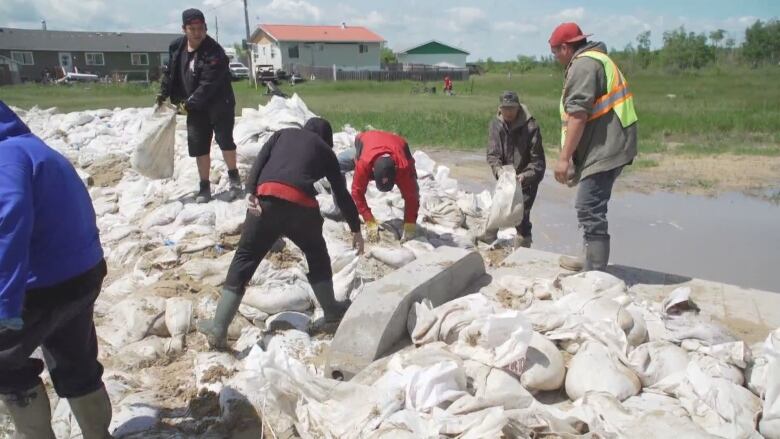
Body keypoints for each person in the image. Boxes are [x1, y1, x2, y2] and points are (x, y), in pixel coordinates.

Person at [198, 118, 364, 349]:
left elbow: (259, 163)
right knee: (316, 253)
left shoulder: (282, 134)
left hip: (265, 202)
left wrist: (250, 192)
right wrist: (355, 228)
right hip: (302, 207)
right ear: (326, 139)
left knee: (245, 257)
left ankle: (219, 327)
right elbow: (341, 195)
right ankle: (331, 311)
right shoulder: (325, 151)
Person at [0, 101, 112, 438]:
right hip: (82, 274)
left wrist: (4, 305)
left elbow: (8, 222)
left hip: (43, 285)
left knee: (5, 365)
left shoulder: (6, 157)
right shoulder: (33, 149)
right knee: (74, 358)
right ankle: (98, 434)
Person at [549, 22, 638, 271]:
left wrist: (564, 158)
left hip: (610, 145)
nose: (555, 57)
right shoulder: (595, 60)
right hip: (608, 141)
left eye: (555, 52)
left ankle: (595, 273)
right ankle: (591, 259)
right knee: (590, 205)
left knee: (589, 206)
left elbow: (578, 114)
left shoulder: (584, 65)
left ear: (566, 48)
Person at [157, 8, 240, 203]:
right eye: (192, 28)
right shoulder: (177, 47)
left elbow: (208, 84)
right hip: (195, 107)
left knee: (224, 140)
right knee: (199, 146)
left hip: (220, 104)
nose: (197, 33)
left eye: (201, 28)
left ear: (206, 28)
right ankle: (204, 187)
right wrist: (163, 93)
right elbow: (170, 72)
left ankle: (234, 177)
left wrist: (187, 104)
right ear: (184, 29)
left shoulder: (215, 52)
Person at [481, 91, 545, 247]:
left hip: (526, 179)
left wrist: (524, 176)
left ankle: (524, 244)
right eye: (505, 108)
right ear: (500, 108)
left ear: (518, 107)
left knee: (521, 215)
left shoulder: (531, 127)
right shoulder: (496, 125)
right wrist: (499, 171)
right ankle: (487, 242)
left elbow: (538, 162)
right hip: (505, 178)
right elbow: (493, 154)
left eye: (512, 108)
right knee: (497, 210)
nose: (508, 112)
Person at [349, 130, 420, 243]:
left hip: (398, 143)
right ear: (372, 172)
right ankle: (341, 211)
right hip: (366, 140)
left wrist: (410, 224)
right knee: (339, 164)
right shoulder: (364, 164)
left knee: (412, 187)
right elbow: (356, 192)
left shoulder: (403, 166)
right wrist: (369, 220)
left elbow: (412, 196)